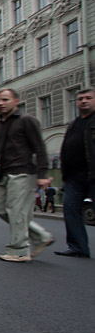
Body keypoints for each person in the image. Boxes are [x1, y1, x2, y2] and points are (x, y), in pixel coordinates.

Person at [0, 88, 53, 262]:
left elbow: (40, 148)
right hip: (4, 173)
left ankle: (19, 250)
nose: (1, 103)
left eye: (5, 100)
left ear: (16, 102)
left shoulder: (27, 120)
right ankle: (40, 236)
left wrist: (42, 174)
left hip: (24, 172)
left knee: (16, 211)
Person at [54, 88, 95, 258]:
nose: (84, 101)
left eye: (88, 98)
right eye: (80, 98)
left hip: (93, 175)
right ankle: (78, 247)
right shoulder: (74, 123)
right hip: (73, 176)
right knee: (70, 209)